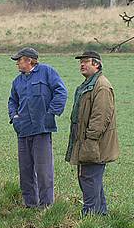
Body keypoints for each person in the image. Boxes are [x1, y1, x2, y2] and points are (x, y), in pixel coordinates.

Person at [8, 47, 67, 209]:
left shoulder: (47, 72)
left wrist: (51, 113)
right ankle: (30, 204)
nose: (17, 64)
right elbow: (12, 101)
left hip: (42, 129)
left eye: (19, 60)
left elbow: (61, 92)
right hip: (23, 130)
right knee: (25, 170)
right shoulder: (17, 81)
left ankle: (46, 206)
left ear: (29, 60)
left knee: (43, 170)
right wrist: (14, 117)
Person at [65, 51, 119, 215]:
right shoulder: (89, 84)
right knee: (92, 180)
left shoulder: (101, 86)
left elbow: (100, 117)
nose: (82, 64)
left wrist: (89, 140)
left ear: (97, 64)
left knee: (89, 179)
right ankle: (100, 214)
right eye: (81, 62)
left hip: (94, 143)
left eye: (86, 61)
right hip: (87, 141)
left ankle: (89, 215)